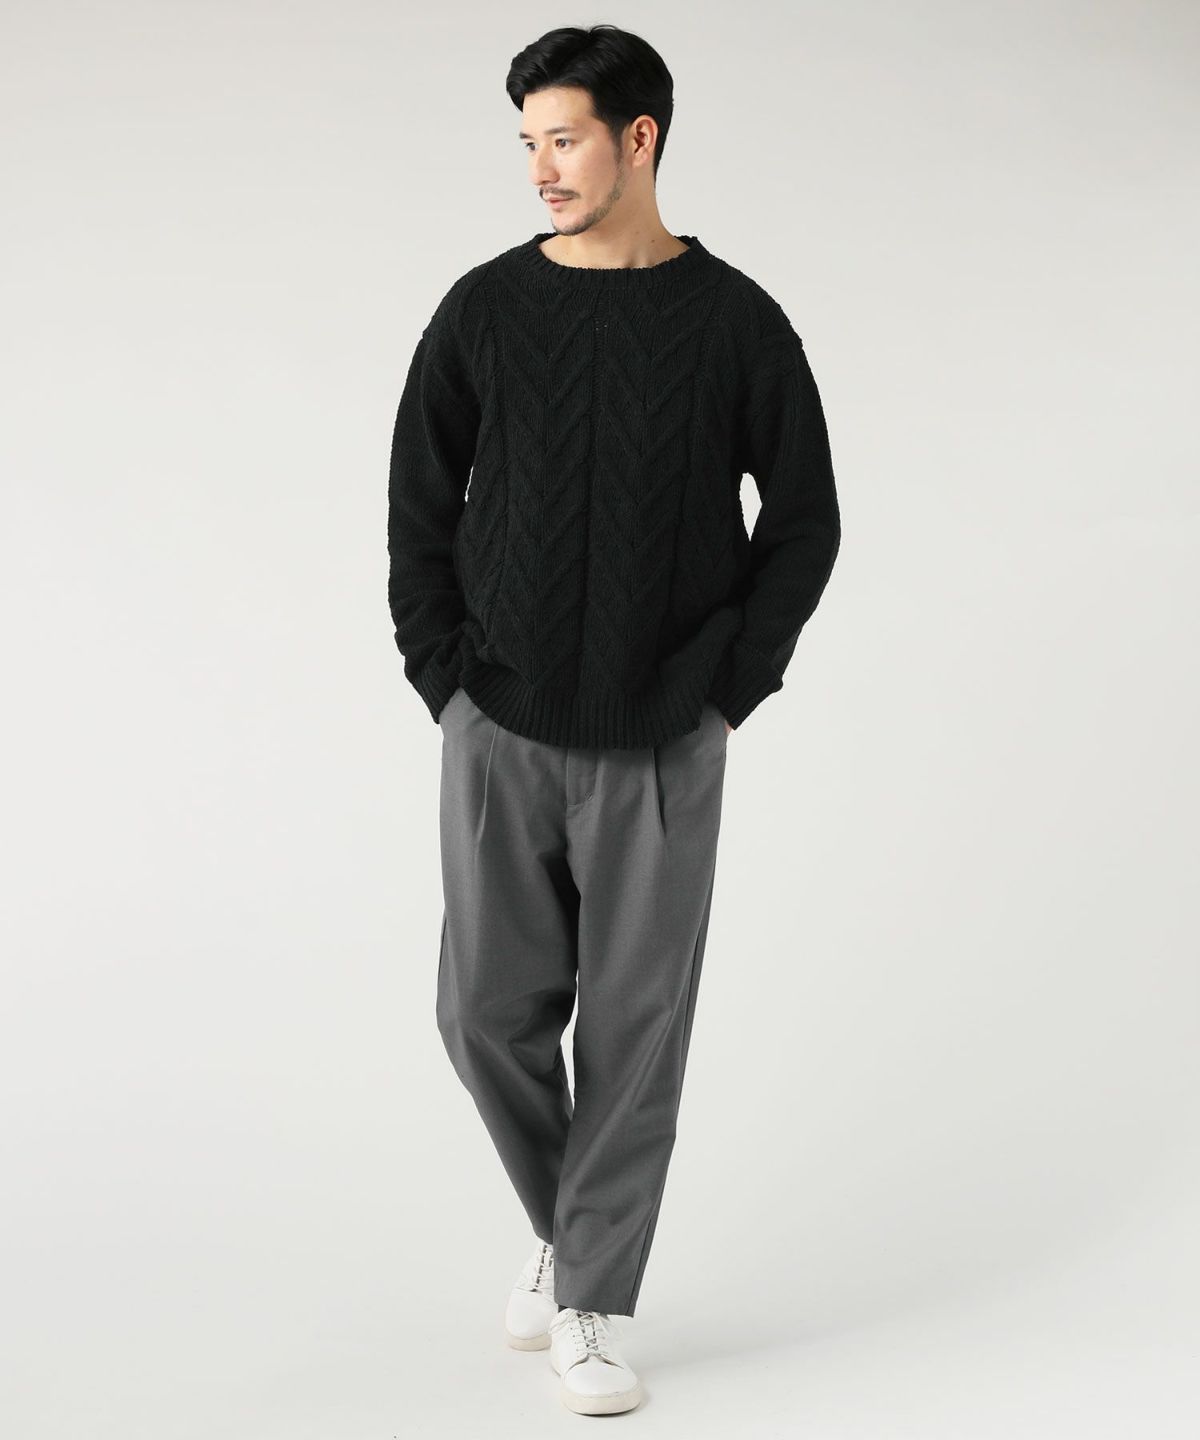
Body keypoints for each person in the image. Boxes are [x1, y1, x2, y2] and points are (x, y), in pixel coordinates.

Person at [386, 23, 841, 1418]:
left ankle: (587, 1295)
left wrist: (724, 695)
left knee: (634, 1035)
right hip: (501, 725)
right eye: (528, 142)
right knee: (482, 1013)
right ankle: (573, 1228)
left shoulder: (737, 322)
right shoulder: (482, 308)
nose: (541, 167)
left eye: (565, 138)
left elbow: (806, 521)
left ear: (638, 139)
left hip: (661, 736)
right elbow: (417, 503)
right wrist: (444, 679)